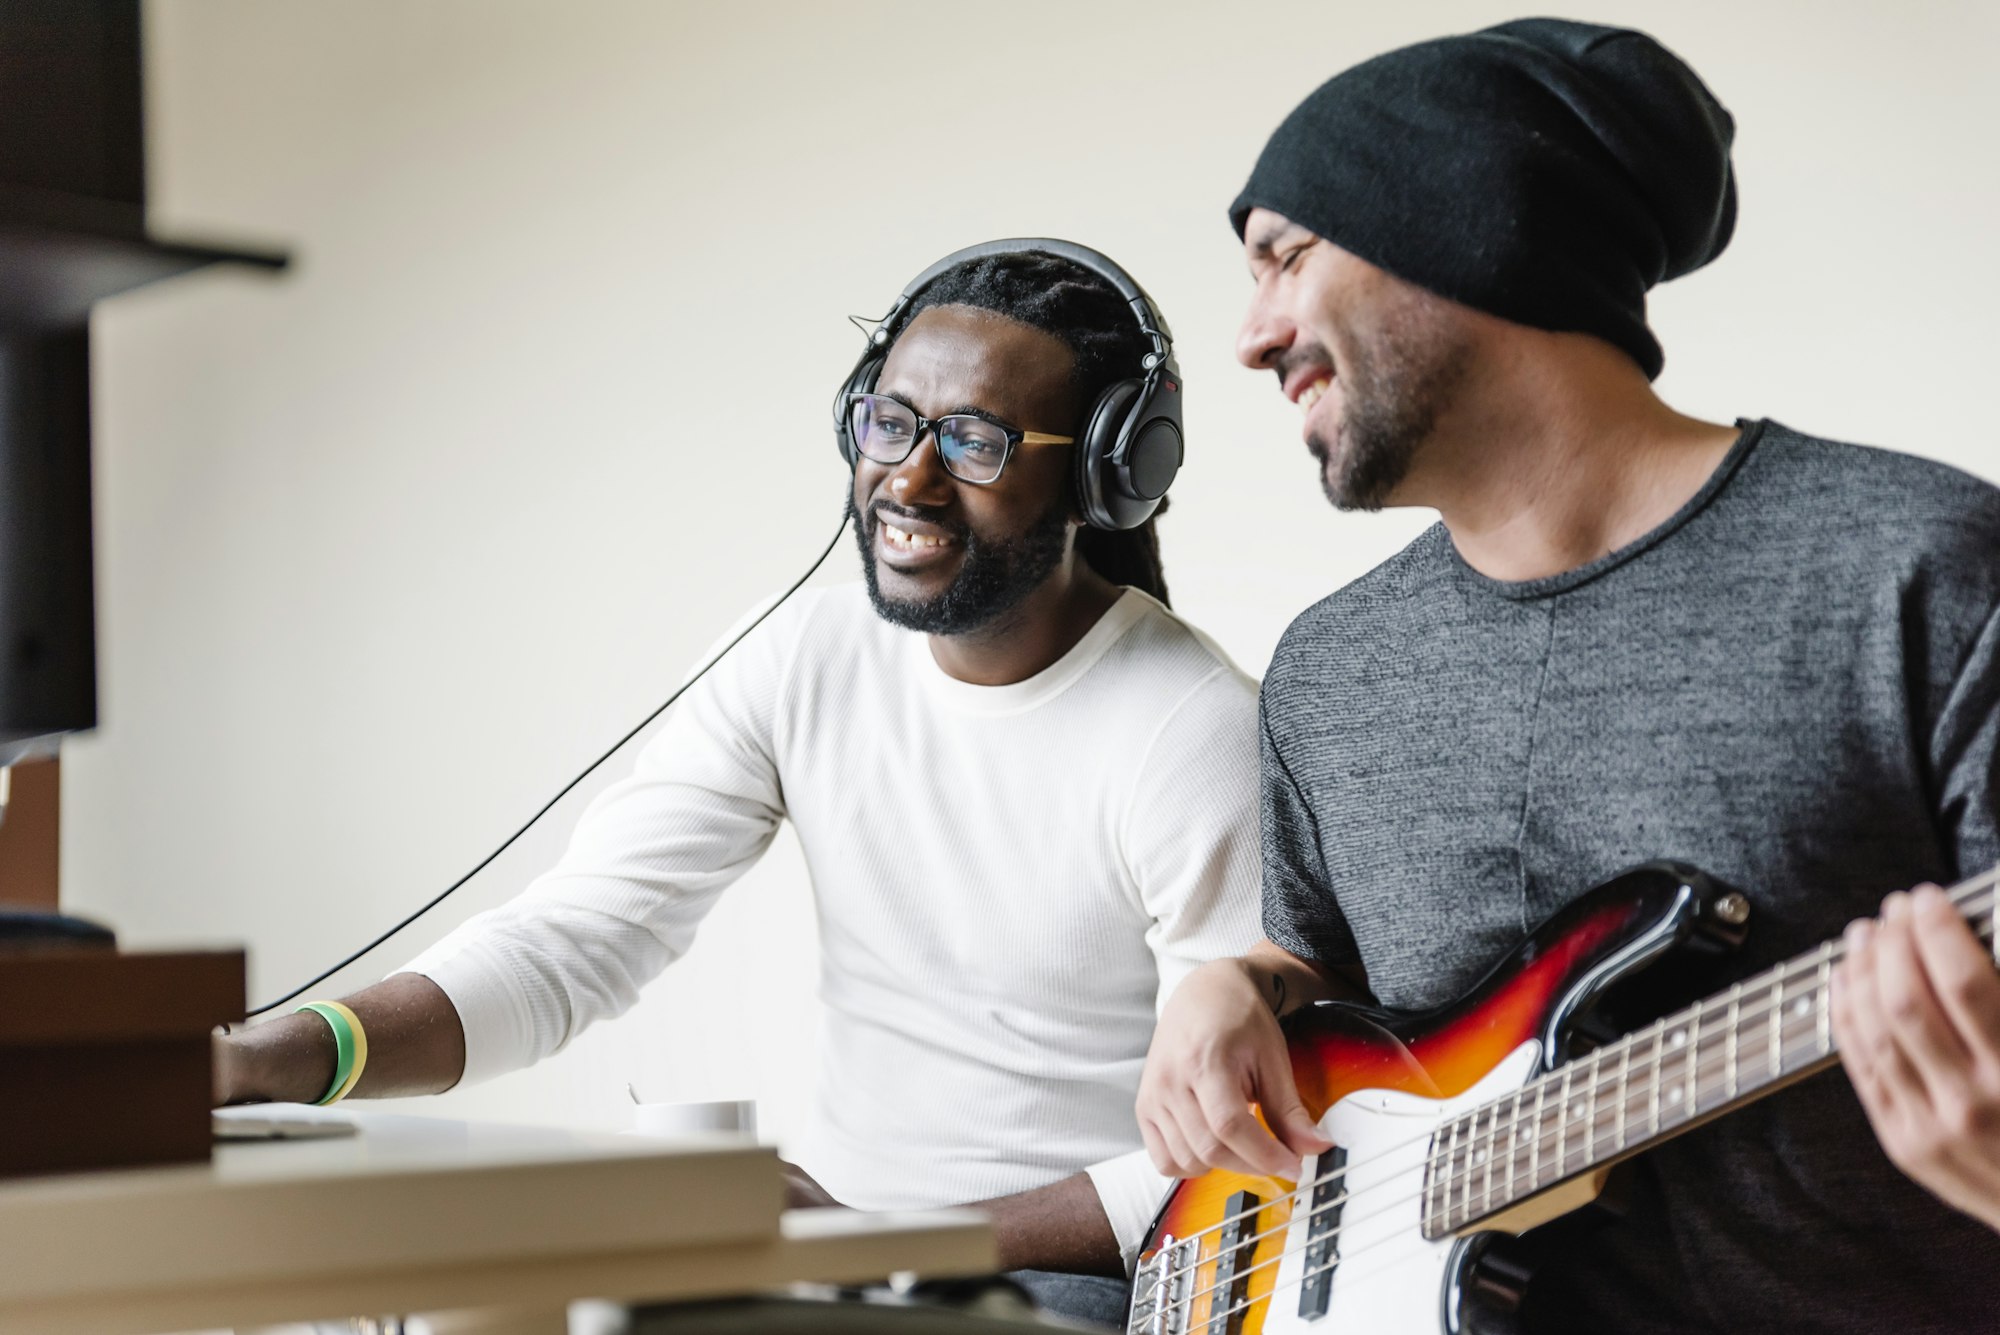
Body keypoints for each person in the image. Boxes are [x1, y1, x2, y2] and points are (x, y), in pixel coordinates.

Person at [1135, 18, 2000, 1333]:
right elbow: (1325, 959)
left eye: (1283, 257)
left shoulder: (1919, 566)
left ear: (1467, 227)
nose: (1251, 338)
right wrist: (1230, 985)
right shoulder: (1329, 670)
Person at [218, 245, 1262, 1328]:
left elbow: (1223, 1152)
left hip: (1077, 1284)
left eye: (974, 441)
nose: (907, 477)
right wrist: (286, 1058)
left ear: (1107, 473)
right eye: (890, 421)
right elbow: (577, 938)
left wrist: (876, 1238)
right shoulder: (800, 651)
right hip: (843, 1267)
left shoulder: (1189, 733)